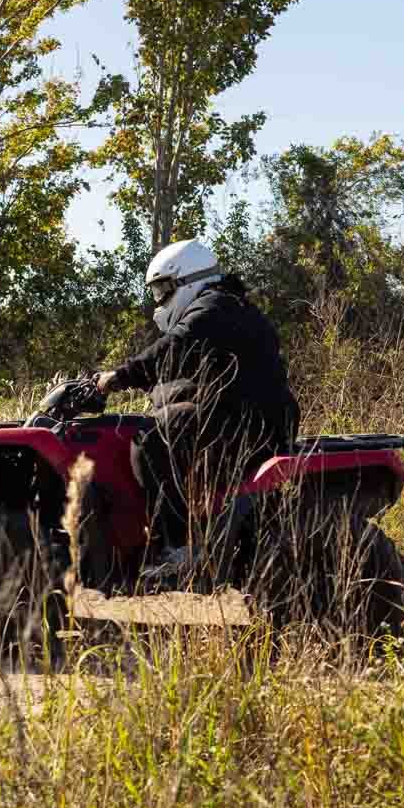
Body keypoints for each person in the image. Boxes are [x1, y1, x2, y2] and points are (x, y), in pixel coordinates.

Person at [95, 238, 298, 576]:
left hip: (251, 422)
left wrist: (118, 376)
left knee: (149, 439)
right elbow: (182, 370)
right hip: (249, 416)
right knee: (163, 416)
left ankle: (179, 547)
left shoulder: (214, 307)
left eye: (163, 290)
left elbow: (175, 347)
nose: (159, 301)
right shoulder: (226, 306)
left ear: (187, 280)